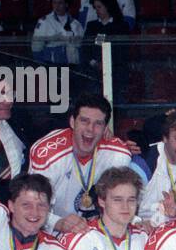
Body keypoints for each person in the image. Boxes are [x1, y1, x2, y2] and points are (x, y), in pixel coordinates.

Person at [28, 93, 145, 233]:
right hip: (52, 234)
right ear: (72, 122)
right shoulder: (47, 154)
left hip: (98, 235)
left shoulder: (118, 154)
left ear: (105, 128)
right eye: (84, 121)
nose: (90, 129)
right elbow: (30, 208)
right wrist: (58, 222)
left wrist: (136, 221)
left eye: (98, 124)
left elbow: (121, 201)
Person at [30, 0, 83, 65]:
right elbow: (36, 48)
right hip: (53, 67)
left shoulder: (76, 24)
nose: (56, 6)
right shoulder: (44, 22)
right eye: (54, 3)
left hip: (72, 67)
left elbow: (81, 47)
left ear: (66, 4)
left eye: (60, 3)